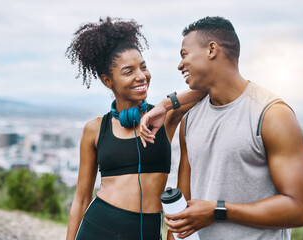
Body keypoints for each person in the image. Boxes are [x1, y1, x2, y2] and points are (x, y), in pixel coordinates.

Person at [140, 16, 303, 240]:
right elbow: (181, 212)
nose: (179, 64)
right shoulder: (190, 120)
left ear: (212, 49)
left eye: (184, 55)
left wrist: (217, 211)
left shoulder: (272, 115)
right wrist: (167, 104)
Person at [65, 17, 207, 240]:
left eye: (143, 67)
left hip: (147, 232)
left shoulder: (165, 118)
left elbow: (208, 88)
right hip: (98, 229)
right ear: (107, 81)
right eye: (128, 71)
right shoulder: (94, 129)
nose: (141, 76)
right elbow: (81, 199)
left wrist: (166, 104)